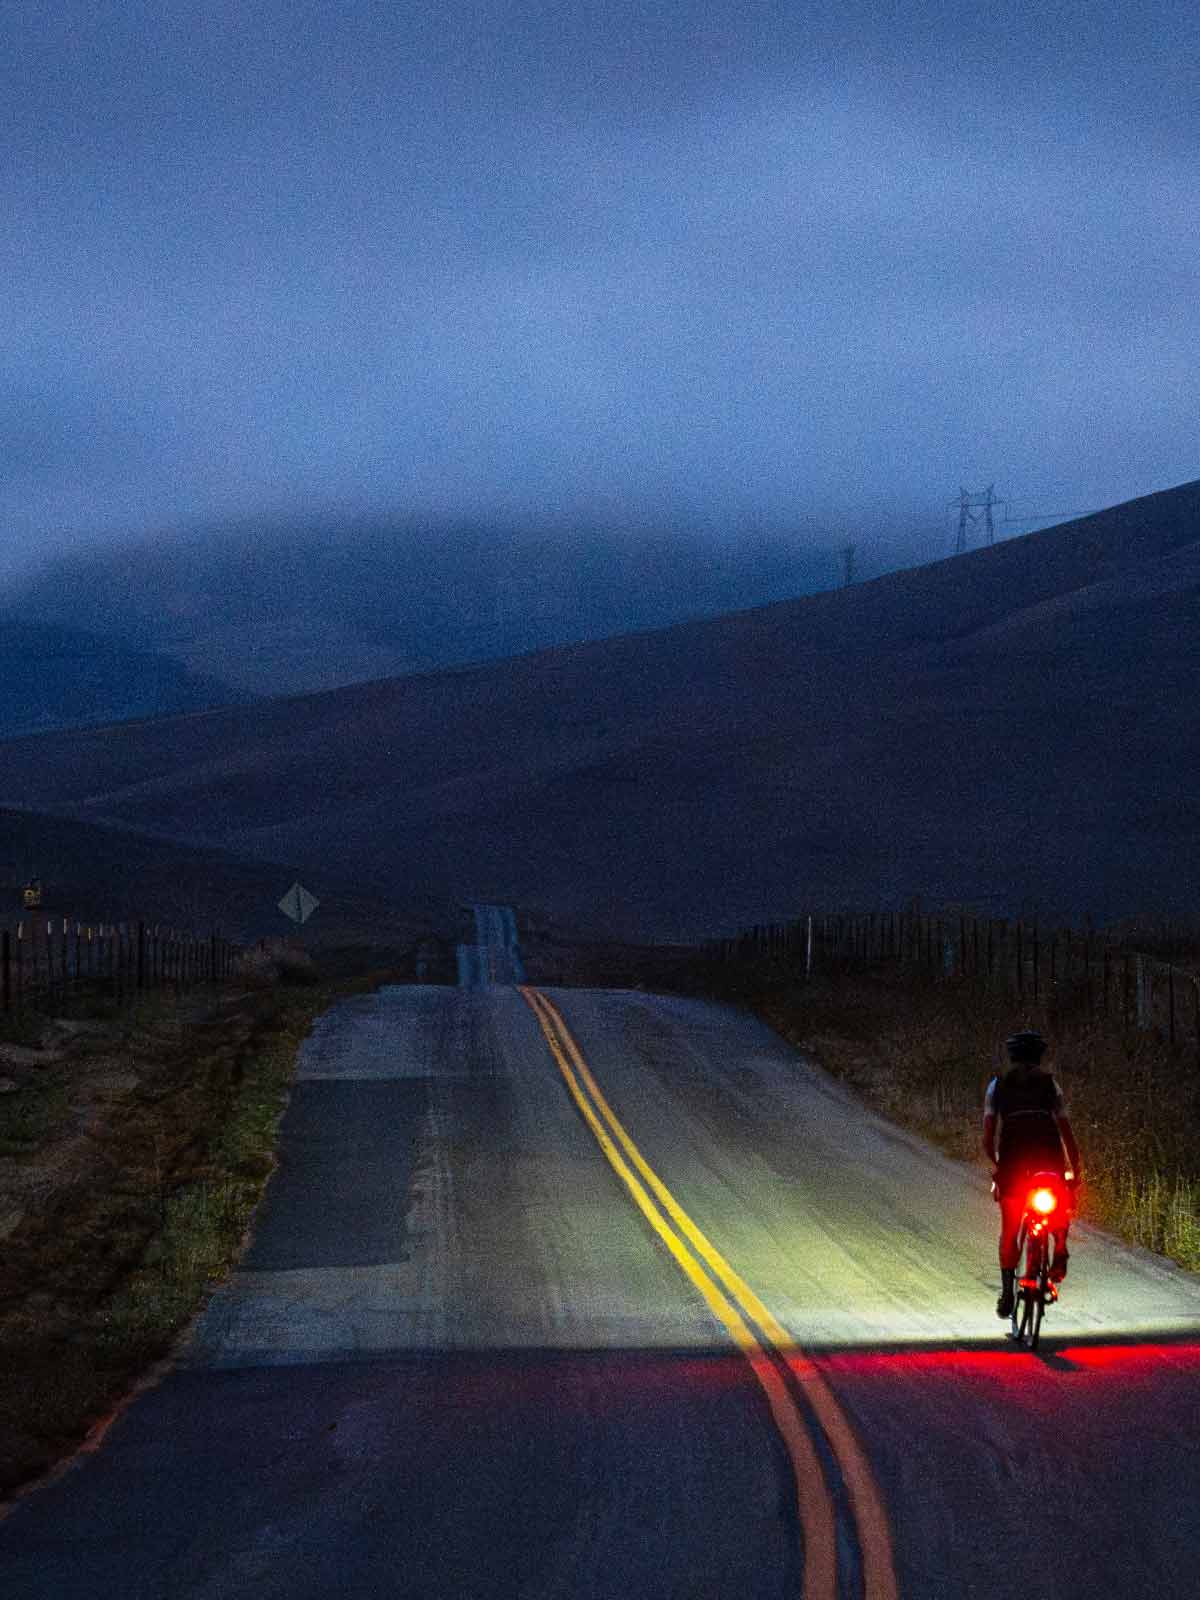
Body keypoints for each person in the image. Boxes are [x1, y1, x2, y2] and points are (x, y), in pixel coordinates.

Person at [983, 1030, 1082, 1319]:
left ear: (1012, 1057)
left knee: (1010, 1230)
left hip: (1013, 1162)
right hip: (1048, 1160)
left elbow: (988, 1137)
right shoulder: (1051, 1085)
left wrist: (996, 1164)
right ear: (1040, 1057)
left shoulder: (997, 1086)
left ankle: (1007, 1293)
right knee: (1061, 1202)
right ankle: (1060, 1248)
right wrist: (1075, 1170)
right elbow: (1066, 1131)